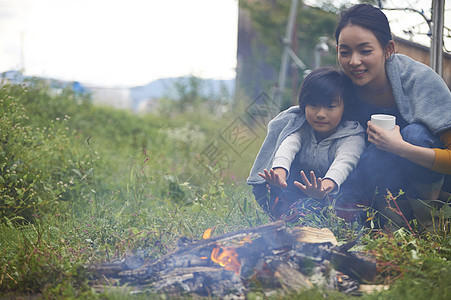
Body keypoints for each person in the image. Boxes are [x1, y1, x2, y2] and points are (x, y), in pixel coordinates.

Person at [334, 4, 451, 228]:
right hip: (383, 189)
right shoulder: (342, 89)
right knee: (362, 150)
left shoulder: (419, 80)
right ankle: (385, 220)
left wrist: (400, 147)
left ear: (388, 49)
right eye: (345, 51)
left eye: (365, 51)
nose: (354, 61)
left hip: (434, 185)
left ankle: (432, 221)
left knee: (414, 134)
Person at [247, 67, 365, 220]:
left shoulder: (352, 135)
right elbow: (288, 145)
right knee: (279, 190)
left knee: (348, 203)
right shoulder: (301, 126)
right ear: (304, 105)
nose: (321, 114)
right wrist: (280, 173)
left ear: (345, 107)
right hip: (302, 191)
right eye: (314, 105)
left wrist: (324, 187)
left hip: (337, 193)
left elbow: (344, 162)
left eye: (331, 106)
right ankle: (287, 220)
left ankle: (337, 224)